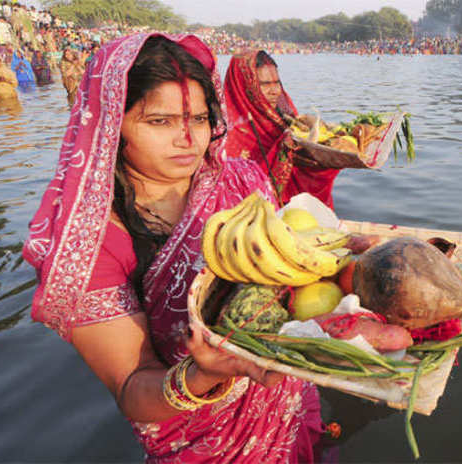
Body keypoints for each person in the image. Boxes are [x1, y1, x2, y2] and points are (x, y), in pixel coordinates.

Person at [23, 33, 324, 463]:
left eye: (199, 119)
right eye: (159, 121)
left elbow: (286, 279)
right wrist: (200, 376)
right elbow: (131, 386)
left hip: (282, 401)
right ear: (112, 123)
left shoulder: (240, 180)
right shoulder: (90, 243)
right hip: (205, 439)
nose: (187, 139)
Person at [223, 50, 339, 208]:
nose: (275, 91)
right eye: (264, 85)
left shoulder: (286, 120)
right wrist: (284, 148)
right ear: (244, 87)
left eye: (277, 83)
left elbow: (305, 174)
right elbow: (239, 193)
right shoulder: (226, 134)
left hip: (296, 215)